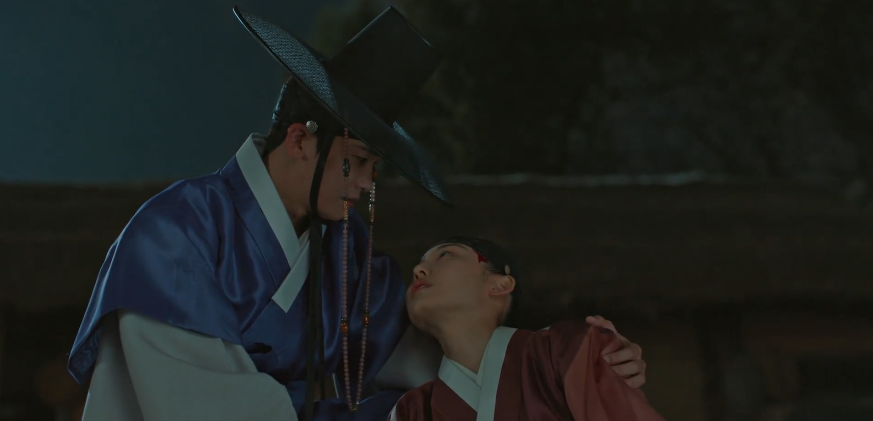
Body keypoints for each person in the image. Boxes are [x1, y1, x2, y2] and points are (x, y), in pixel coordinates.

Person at [65, 6, 649, 421]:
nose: (367, 184)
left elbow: (453, 356)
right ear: (301, 141)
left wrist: (571, 360)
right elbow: (202, 407)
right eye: (359, 161)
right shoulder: (174, 232)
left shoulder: (343, 251)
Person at [390, 237, 665, 421]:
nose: (419, 269)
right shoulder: (413, 411)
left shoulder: (566, 350)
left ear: (500, 284)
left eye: (445, 254)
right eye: (419, 262)